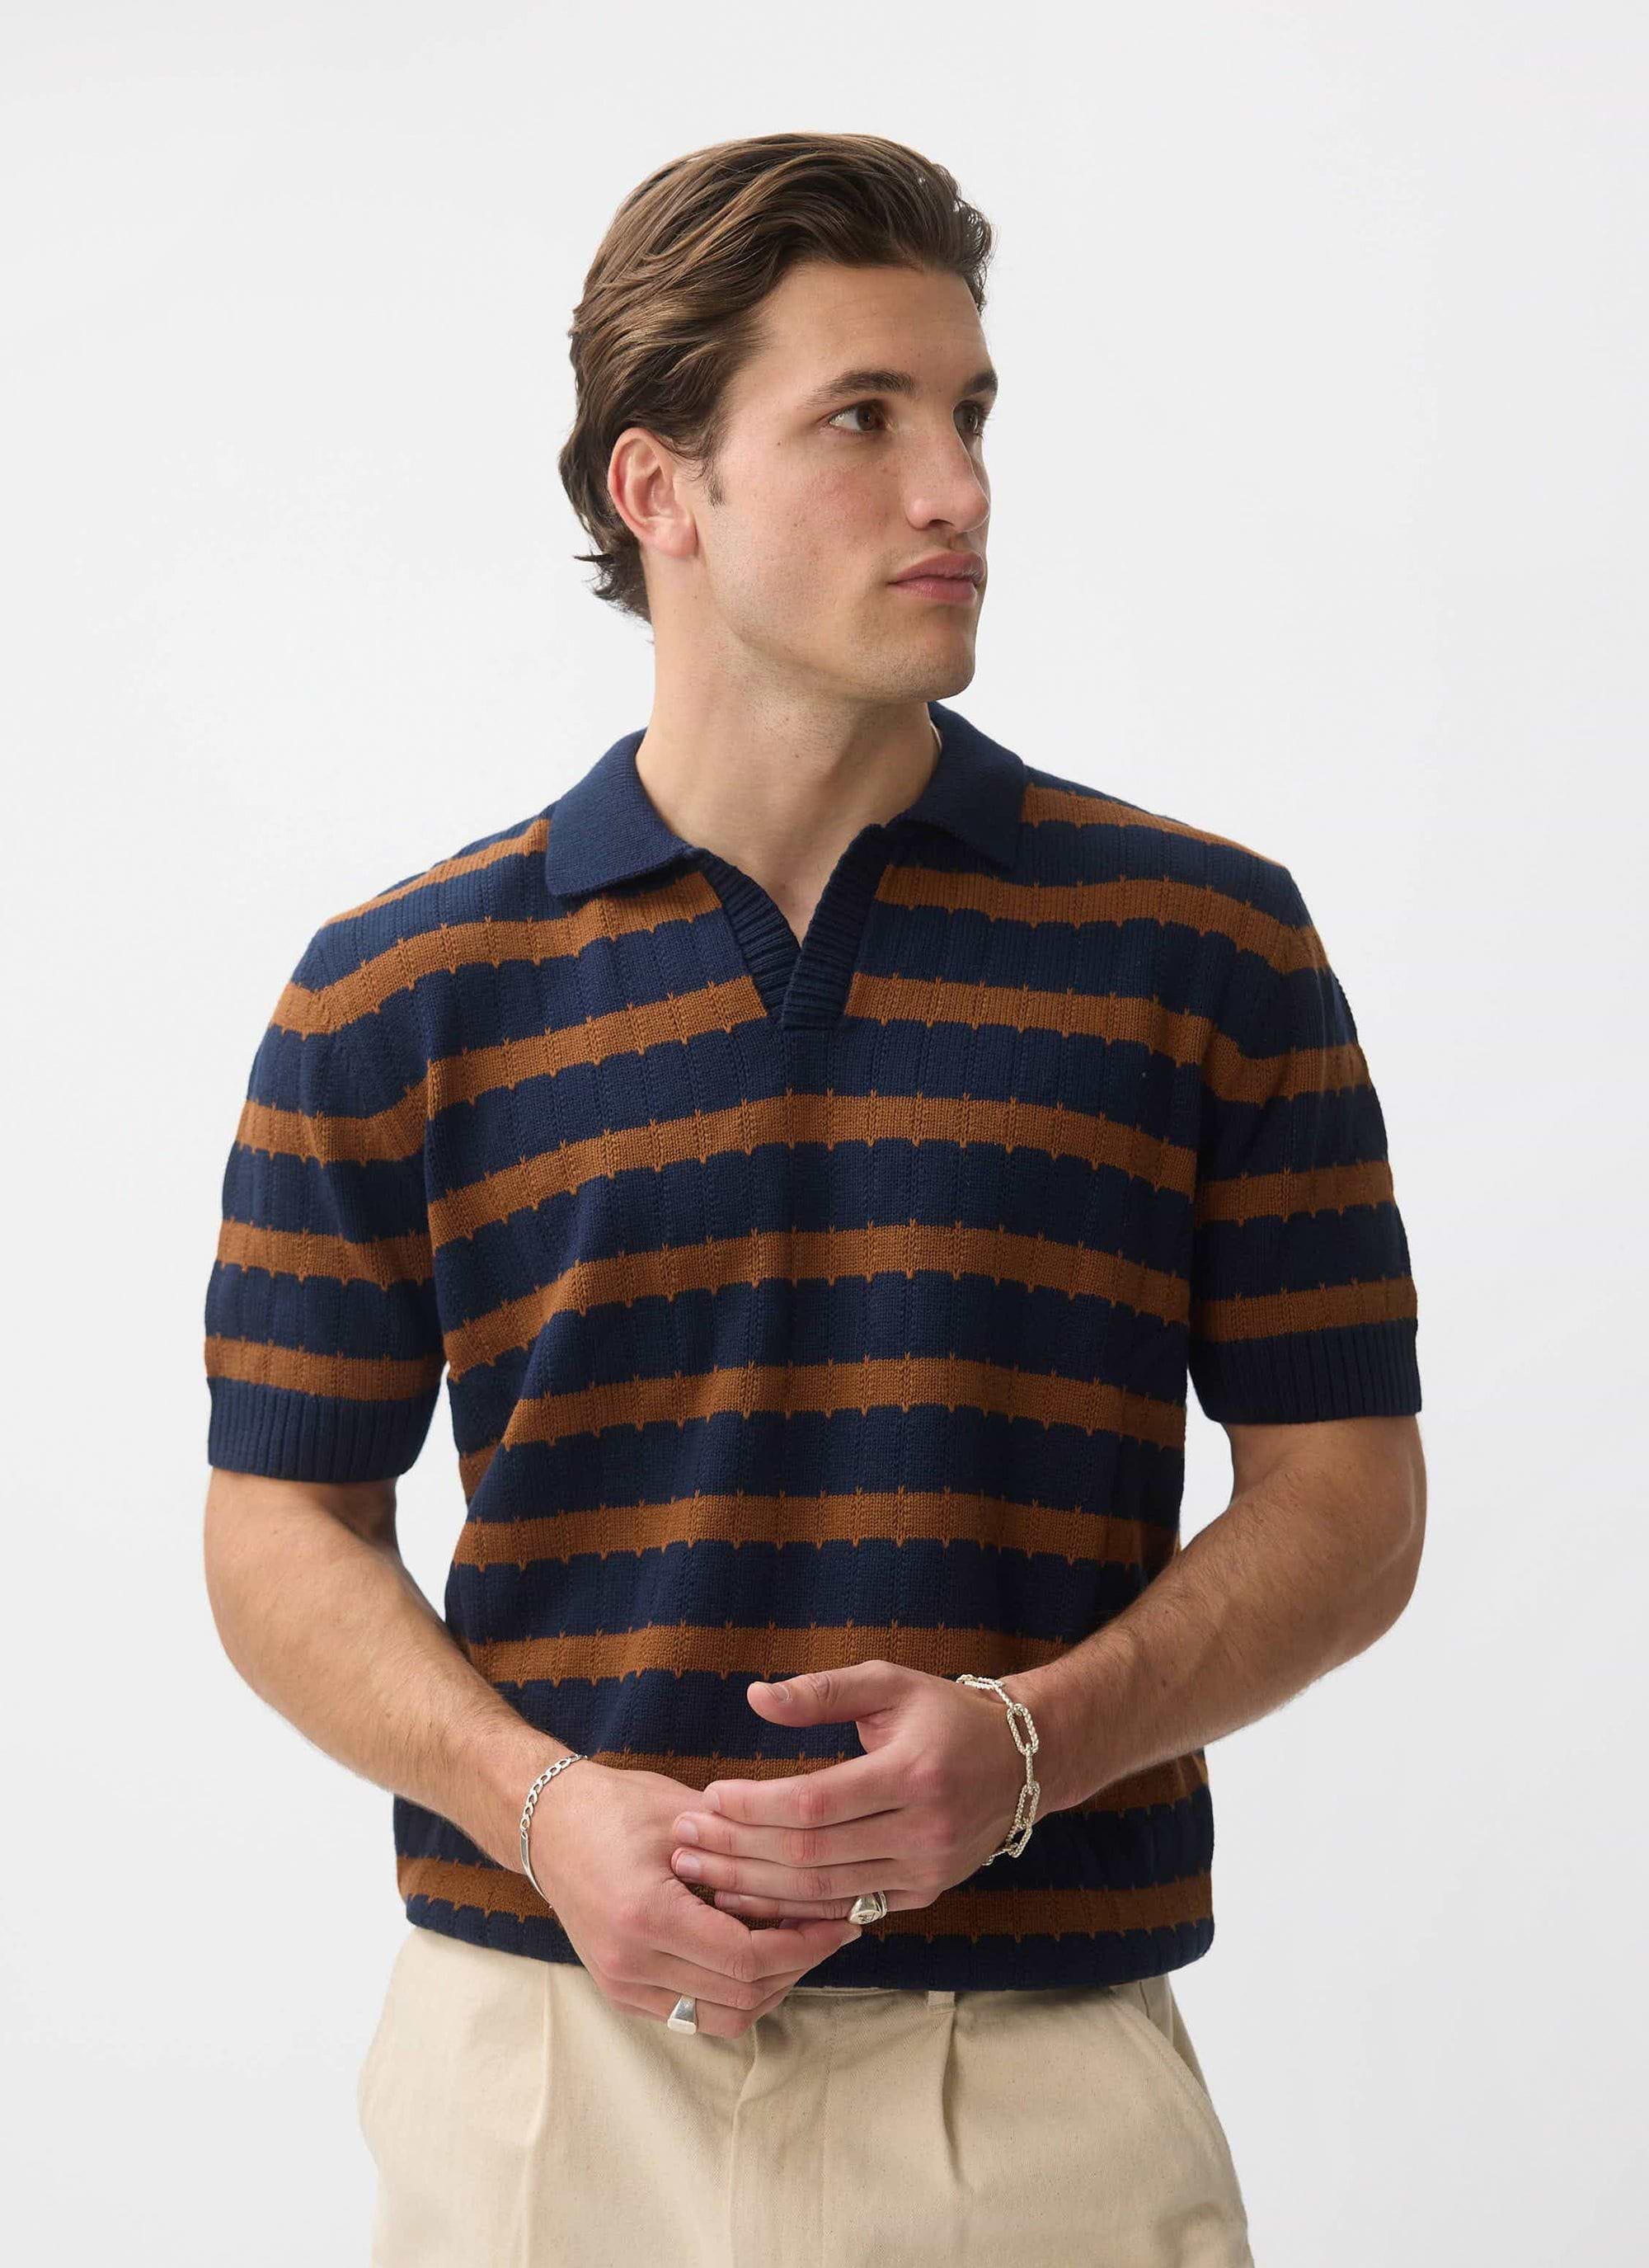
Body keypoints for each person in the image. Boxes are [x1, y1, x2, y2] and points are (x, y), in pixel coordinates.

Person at [202, 130, 1425, 2267]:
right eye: (864, 419)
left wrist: (1036, 1751)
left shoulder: (1201, 948)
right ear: (657, 490)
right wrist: (542, 1807)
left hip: (1033, 2082)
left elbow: (1350, 1497)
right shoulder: (396, 992)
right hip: (542, 2078)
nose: (954, 488)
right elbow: (275, 1524)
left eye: (968, 415)